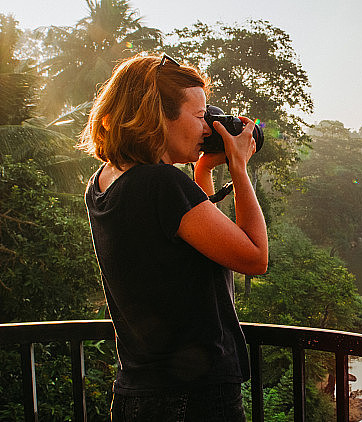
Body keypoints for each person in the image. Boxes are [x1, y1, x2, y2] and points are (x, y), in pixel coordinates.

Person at [80, 54, 268, 421]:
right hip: (194, 396)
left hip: (138, 391)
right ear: (157, 116)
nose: (206, 128)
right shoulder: (161, 184)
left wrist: (202, 171)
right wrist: (240, 169)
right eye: (200, 117)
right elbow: (255, 257)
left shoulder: (104, 182)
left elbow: (191, 239)